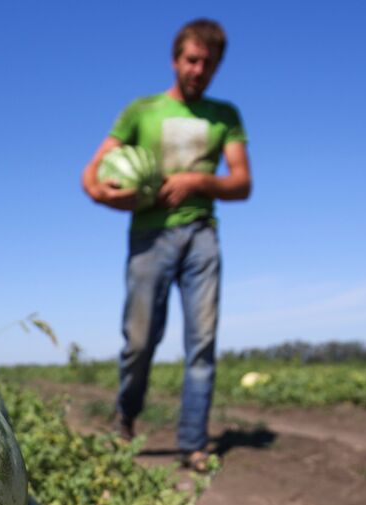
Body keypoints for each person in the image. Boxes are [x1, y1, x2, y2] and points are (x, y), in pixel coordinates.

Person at [81, 18, 252, 471]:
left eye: (208, 64)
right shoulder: (142, 110)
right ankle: (125, 418)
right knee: (139, 340)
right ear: (176, 59)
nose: (199, 70)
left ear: (216, 68)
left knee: (202, 341)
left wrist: (197, 180)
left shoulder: (226, 115)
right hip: (149, 235)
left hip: (201, 234)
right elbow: (92, 173)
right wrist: (105, 194)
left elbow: (241, 182)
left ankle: (191, 442)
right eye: (192, 60)